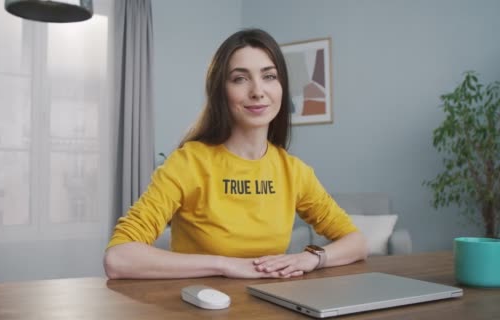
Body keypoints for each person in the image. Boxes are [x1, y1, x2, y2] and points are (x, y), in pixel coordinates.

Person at [104, 28, 367, 279]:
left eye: (269, 76)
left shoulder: (294, 171)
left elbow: (356, 242)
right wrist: (225, 265)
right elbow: (119, 258)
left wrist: (311, 258)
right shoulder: (189, 162)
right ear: (221, 91)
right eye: (240, 79)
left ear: (282, 87)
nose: (257, 91)